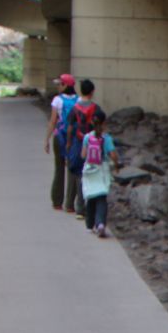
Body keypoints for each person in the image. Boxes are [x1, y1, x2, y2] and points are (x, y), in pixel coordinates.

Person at [79, 105, 116, 237]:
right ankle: (100, 223)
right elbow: (112, 155)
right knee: (101, 197)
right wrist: (116, 164)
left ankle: (90, 225)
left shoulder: (87, 137)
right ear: (104, 123)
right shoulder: (107, 138)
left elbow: (83, 155)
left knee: (91, 196)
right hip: (102, 169)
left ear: (91, 122)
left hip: (89, 169)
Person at [62, 77, 96, 217]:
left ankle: (79, 207)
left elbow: (70, 127)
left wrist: (68, 143)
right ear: (92, 92)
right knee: (90, 174)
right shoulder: (95, 108)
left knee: (77, 173)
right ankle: (88, 206)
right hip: (92, 144)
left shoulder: (75, 108)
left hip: (77, 143)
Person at [44, 73, 78, 212]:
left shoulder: (57, 100)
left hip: (60, 137)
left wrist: (47, 139)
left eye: (60, 84)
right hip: (74, 138)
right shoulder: (79, 100)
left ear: (65, 85)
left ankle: (57, 201)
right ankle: (70, 204)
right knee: (72, 169)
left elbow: (53, 121)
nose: (58, 87)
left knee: (59, 169)